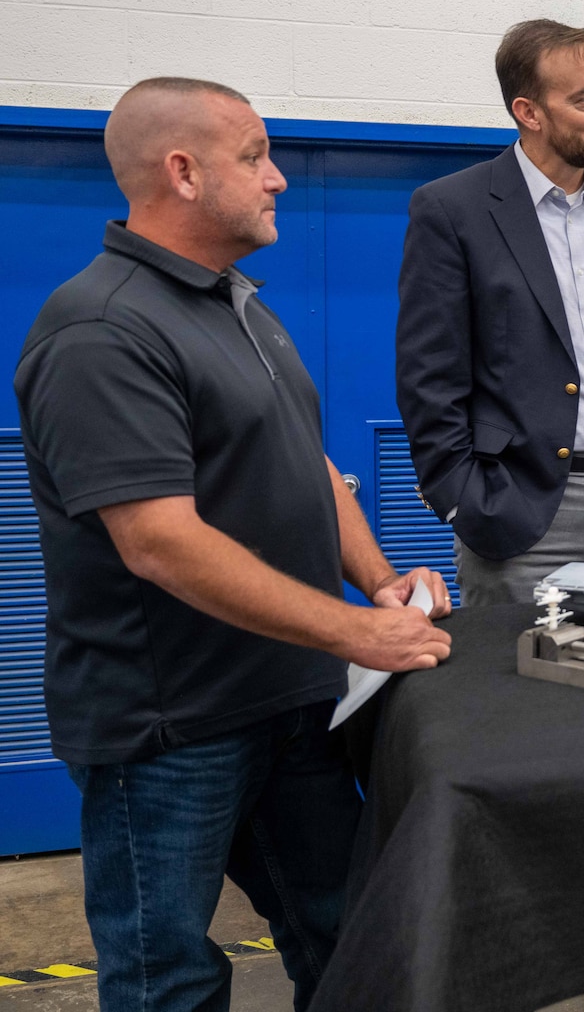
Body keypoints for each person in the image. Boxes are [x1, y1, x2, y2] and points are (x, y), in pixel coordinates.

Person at [13, 77, 452, 1012]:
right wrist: (354, 634)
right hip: (172, 729)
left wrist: (376, 584)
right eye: (254, 155)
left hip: (289, 709)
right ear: (181, 172)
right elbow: (160, 543)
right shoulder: (102, 328)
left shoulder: (239, 307)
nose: (278, 179)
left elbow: (314, 472)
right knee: (166, 978)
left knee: (351, 938)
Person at [396, 18, 584, 607]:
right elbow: (428, 376)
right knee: (524, 694)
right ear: (529, 112)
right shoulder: (452, 210)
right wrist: (461, 498)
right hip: (520, 515)